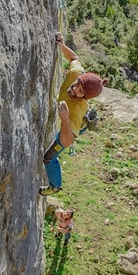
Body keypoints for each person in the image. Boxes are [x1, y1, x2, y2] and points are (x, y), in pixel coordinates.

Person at [39, 32, 107, 196]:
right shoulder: (76, 73)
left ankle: (55, 186)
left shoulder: (75, 111)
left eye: (80, 91)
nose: (75, 89)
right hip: (69, 120)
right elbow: (74, 58)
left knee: (48, 158)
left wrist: (64, 120)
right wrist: (62, 46)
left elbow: (68, 140)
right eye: (78, 84)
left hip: (73, 127)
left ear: (84, 97)